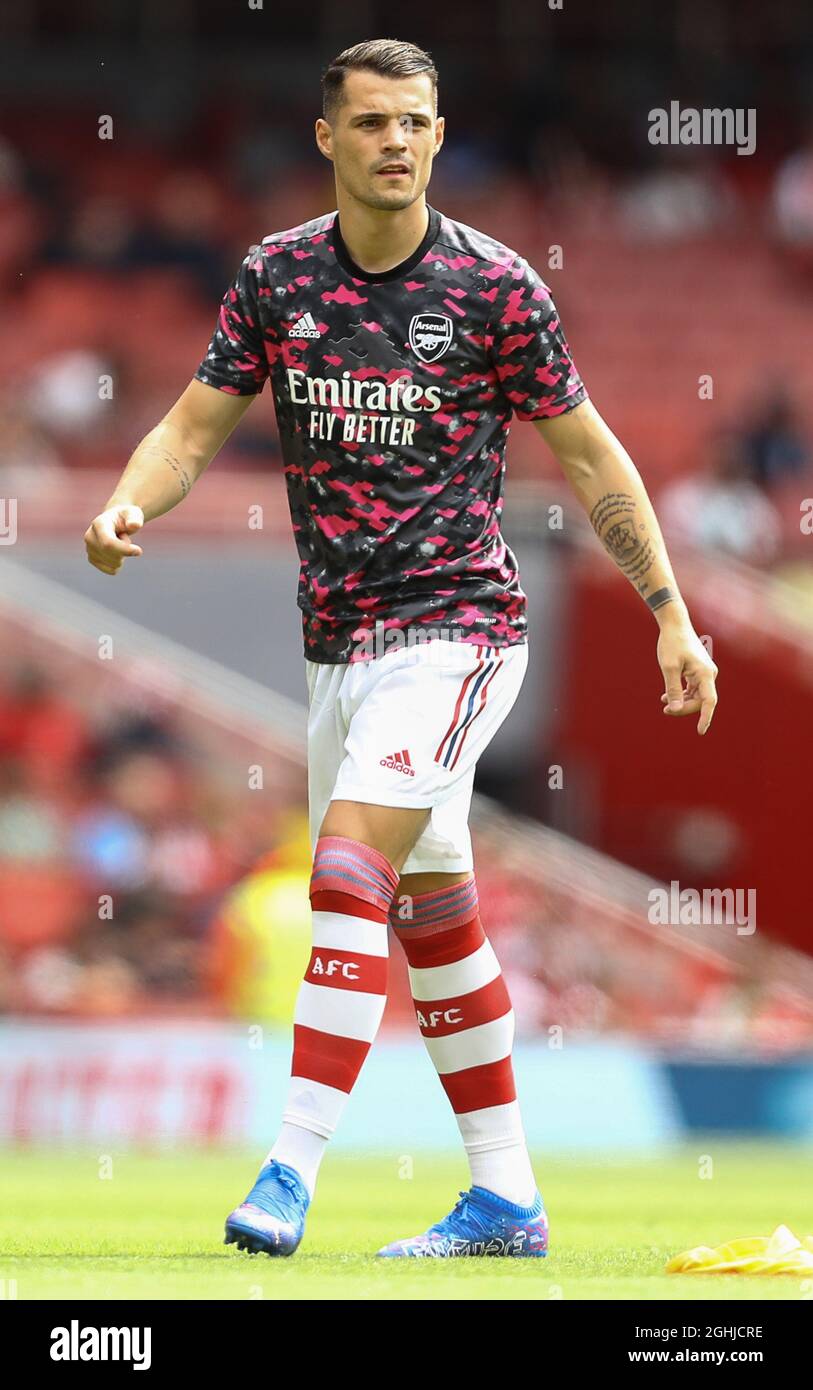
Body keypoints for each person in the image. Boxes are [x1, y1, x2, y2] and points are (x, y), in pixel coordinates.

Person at [84, 38, 718, 1260]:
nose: (394, 142)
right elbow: (190, 425)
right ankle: (507, 1198)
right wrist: (127, 505)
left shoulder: (494, 287)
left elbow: (591, 456)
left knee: (345, 867)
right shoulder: (275, 279)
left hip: (461, 630)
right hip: (339, 645)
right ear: (327, 138)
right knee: (434, 915)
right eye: (370, 122)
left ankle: (287, 1171)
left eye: (414, 122)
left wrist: (670, 610)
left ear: (437, 134)